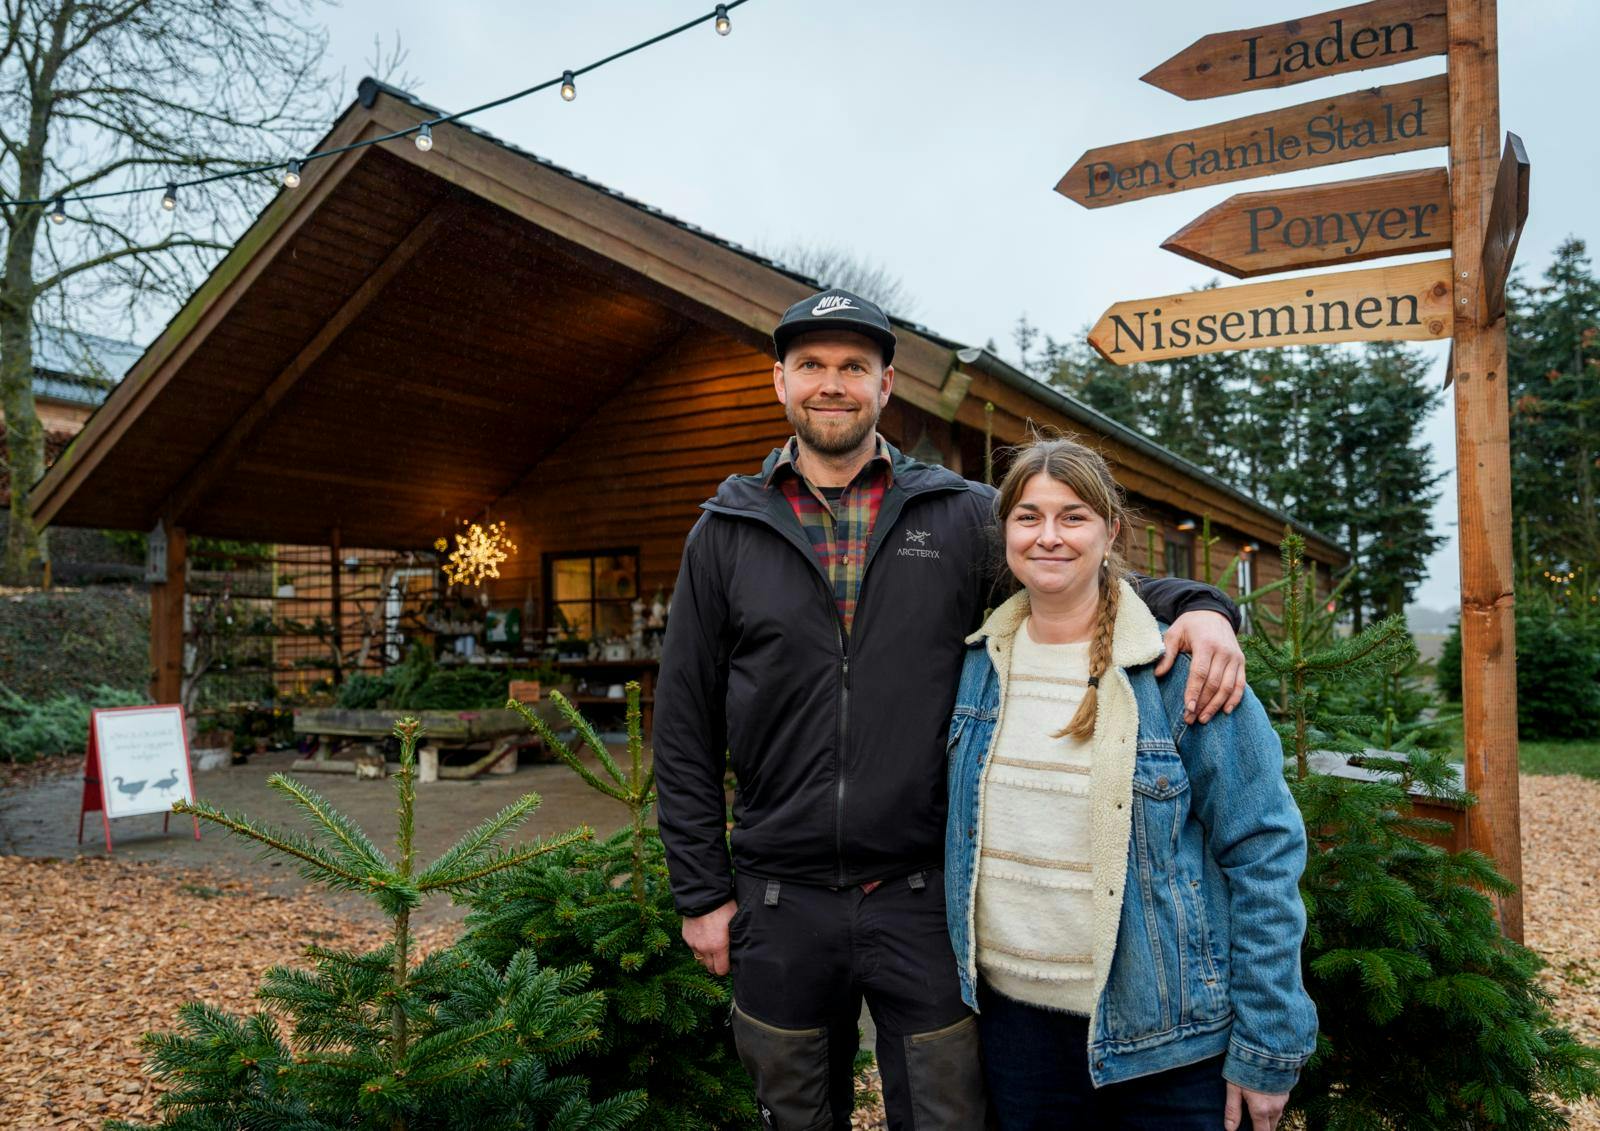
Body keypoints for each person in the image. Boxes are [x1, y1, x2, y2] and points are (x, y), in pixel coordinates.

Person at [653, 287, 1250, 1130]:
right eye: (813, 365)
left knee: (947, 1114)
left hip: (923, 897)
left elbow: (1077, 575)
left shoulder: (959, 514)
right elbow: (682, 725)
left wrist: (1201, 604)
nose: (834, 383)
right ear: (779, 381)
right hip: (778, 901)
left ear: (886, 385)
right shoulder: (725, 530)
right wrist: (700, 893)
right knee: (791, 1112)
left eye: (854, 366)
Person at [944, 436, 1317, 1131]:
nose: (1048, 535)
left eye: (1073, 515)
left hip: (1167, 1043)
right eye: (1028, 516)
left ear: (1111, 529)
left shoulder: (1179, 671)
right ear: (1005, 532)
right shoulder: (978, 667)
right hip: (1015, 1035)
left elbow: (1263, 848)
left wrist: (1269, 1043)